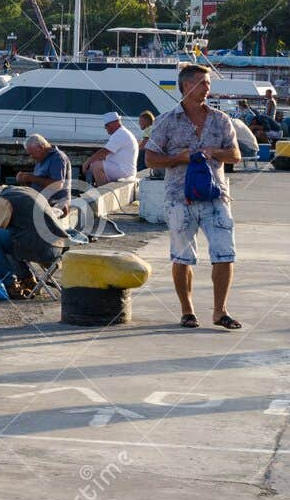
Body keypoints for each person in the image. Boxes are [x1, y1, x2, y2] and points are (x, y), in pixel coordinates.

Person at [143, 64, 244, 330]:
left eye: (208, 83)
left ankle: (220, 311)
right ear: (187, 86)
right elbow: (150, 158)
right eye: (202, 83)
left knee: (225, 253)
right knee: (182, 256)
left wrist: (215, 152)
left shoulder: (221, 120)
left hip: (216, 196)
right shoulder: (166, 121)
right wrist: (179, 158)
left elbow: (235, 155)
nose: (208, 88)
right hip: (180, 198)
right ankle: (187, 311)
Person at [0, 180, 70, 297]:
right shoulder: (25, 190)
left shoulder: (1, 199)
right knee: (12, 235)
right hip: (58, 248)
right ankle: (27, 280)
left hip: (42, 249)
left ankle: (10, 285)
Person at [85, 112, 139, 186]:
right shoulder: (122, 132)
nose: (105, 128)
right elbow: (105, 154)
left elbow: (104, 152)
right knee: (96, 163)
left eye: (106, 125)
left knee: (96, 165)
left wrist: (87, 162)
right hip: (125, 170)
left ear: (113, 123)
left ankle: (103, 192)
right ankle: (104, 186)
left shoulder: (120, 134)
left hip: (124, 171)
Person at [15, 133, 70, 203]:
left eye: (32, 153)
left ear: (41, 147)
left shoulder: (57, 158)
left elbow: (57, 185)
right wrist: (24, 179)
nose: (31, 157)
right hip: (41, 201)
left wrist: (31, 178)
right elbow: (39, 182)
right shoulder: (42, 158)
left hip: (54, 204)